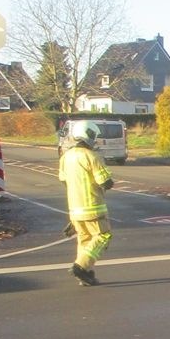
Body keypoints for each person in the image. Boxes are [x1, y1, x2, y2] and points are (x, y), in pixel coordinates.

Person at [59, 121, 114, 286]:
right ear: (89, 135)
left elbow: (64, 180)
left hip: (74, 209)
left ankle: (86, 275)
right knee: (103, 236)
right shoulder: (92, 156)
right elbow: (105, 182)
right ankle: (81, 267)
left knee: (84, 240)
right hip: (94, 206)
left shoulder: (66, 156)